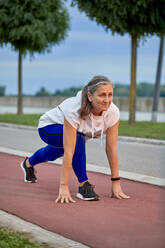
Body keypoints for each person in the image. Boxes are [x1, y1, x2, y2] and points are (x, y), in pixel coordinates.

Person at [21, 75, 130, 203]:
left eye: (110, 94)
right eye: (102, 95)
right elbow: (69, 152)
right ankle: (83, 185)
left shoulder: (113, 113)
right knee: (77, 140)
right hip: (48, 128)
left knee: (52, 153)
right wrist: (63, 186)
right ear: (90, 96)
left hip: (71, 133)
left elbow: (111, 148)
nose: (107, 99)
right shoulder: (74, 110)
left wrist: (115, 182)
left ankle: (28, 164)